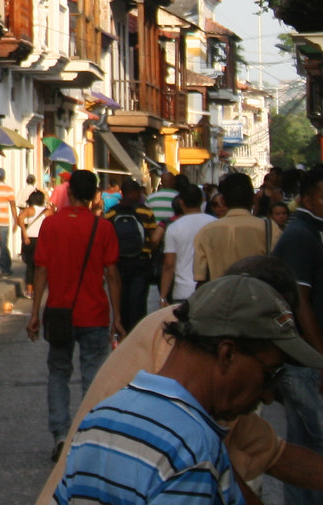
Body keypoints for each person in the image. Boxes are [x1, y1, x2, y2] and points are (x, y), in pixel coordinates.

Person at [16, 256, 323, 505]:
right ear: (226, 353)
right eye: (270, 373)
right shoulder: (192, 454)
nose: (270, 395)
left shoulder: (102, 419)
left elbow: (274, 454)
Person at [26, 169, 121, 462]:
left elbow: (40, 270)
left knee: (58, 372)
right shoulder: (103, 228)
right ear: (95, 196)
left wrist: (35, 314)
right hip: (94, 313)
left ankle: (61, 435)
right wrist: (117, 317)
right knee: (93, 375)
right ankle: (92, 434)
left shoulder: (50, 226)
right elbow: (113, 274)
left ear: (67, 194)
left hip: (59, 312)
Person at [271, 167, 323, 505]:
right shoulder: (301, 236)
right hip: (305, 364)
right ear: (307, 199)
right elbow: (300, 301)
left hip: (303, 361)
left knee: (302, 448)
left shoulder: (313, 234)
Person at [193, 172, 276, 283]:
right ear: (254, 198)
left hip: (220, 296)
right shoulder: (270, 229)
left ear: (223, 200)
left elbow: (200, 278)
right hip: (258, 297)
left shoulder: (206, 232)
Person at [106, 178, 159, 330]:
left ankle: (121, 325)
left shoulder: (112, 213)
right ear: (137, 193)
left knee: (121, 296)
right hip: (141, 262)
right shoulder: (146, 212)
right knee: (138, 299)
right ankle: (137, 330)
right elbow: (153, 239)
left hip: (118, 262)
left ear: (122, 193)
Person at [158, 179, 212, 306]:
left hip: (182, 291)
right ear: (202, 201)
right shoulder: (214, 224)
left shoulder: (174, 227)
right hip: (209, 290)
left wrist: (163, 297)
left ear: (181, 203)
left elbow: (169, 265)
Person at [0, 167, 21, 279]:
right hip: (3, 222)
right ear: (4, 177)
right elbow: (13, 206)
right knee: (3, 246)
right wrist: (16, 221)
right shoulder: (8, 189)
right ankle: (5, 269)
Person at [21, 185, 49, 286]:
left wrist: (24, 233)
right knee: (40, 265)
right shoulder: (46, 211)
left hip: (29, 239)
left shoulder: (29, 210)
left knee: (30, 265)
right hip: (42, 240)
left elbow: (20, 218)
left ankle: (29, 289)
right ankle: (38, 285)